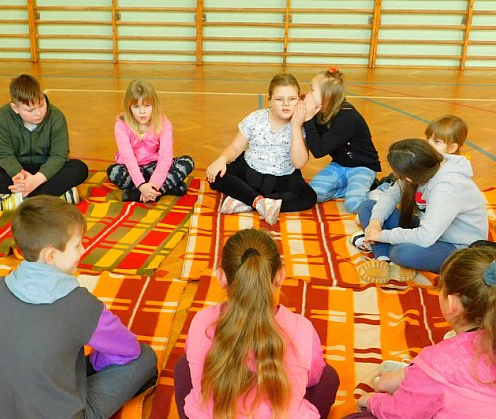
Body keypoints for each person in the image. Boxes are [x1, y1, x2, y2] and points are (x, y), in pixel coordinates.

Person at [319, 245, 496, 419]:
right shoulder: (452, 358)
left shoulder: (439, 363)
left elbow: (397, 417)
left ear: (452, 305)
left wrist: (371, 401)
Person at [0, 196, 157, 419]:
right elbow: (128, 350)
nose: (83, 251)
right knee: (145, 356)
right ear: (51, 256)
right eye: (77, 245)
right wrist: (96, 364)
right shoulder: (79, 304)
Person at [174, 228, 339, 419]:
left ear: (221, 277)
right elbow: (314, 378)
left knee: (183, 366)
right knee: (329, 377)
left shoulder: (202, 322)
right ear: (280, 276)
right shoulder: (301, 328)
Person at [352, 139, 488, 283]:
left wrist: (382, 235)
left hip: (457, 246)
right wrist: (375, 222)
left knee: (401, 253)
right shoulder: (423, 168)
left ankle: (387, 253)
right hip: (430, 229)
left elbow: (425, 237)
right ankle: (384, 260)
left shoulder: (447, 188)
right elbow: (390, 196)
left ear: (409, 178)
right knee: (368, 206)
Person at [205, 73, 315, 225]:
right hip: (251, 169)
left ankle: (247, 200)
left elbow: (299, 163)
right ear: (269, 101)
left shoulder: (301, 124)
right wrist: (221, 160)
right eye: (279, 99)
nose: (286, 104)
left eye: (292, 99)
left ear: (299, 100)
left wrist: (296, 126)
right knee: (216, 175)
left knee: (308, 197)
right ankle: (260, 202)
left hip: (283, 175)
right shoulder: (255, 119)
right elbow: (236, 148)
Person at [0, 74, 88, 212]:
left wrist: (36, 180)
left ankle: (19, 200)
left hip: (47, 170)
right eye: (30, 110)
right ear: (15, 108)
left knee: (79, 169)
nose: (38, 113)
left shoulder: (56, 117)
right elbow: (3, 153)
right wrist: (18, 175)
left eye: (41, 105)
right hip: (20, 171)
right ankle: (57, 196)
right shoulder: (3, 117)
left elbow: (59, 156)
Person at [301, 68, 381, 213]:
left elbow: (319, 151)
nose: (308, 94)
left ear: (328, 96)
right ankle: (353, 189)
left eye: (312, 90)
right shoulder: (321, 112)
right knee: (312, 195)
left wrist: (307, 120)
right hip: (339, 166)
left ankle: (383, 187)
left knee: (354, 205)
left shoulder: (347, 117)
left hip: (362, 166)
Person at [107, 79, 194, 203]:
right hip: (133, 169)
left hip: (155, 166)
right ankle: (166, 190)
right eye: (136, 107)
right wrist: (142, 184)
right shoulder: (121, 125)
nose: (142, 112)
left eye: (147, 106)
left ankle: (139, 195)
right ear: (129, 107)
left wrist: (154, 184)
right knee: (114, 171)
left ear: (154, 105)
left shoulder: (164, 123)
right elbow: (128, 158)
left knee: (187, 162)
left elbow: (165, 157)